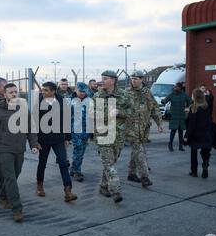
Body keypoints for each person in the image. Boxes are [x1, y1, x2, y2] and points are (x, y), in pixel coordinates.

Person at [0, 83, 40, 222]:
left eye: (15, 92)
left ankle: (3, 195)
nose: (14, 94)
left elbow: (31, 129)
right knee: (10, 178)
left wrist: (34, 144)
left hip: (19, 149)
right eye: (11, 92)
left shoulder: (24, 109)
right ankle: (17, 209)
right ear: (5, 95)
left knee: (15, 174)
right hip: (3, 149)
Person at [93, 70, 133, 203]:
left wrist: (119, 112)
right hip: (103, 134)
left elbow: (132, 112)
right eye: (102, 78)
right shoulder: (97, 96)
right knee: (109, 163)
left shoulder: (124, 95)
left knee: (111, 162)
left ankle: (103, 186)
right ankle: (116, 190)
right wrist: (108, 115)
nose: (102, 81)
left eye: (105, 78)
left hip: (119, 134)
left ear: (113, 80)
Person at [35, 81, 77, 202]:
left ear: (53, 91)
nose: (43, 92)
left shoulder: (61, 101)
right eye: (42, 90)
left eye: (45, 90)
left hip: (58, 138)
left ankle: (68, 191)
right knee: (42, 163)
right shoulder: (38, 102)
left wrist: (68, 137)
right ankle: (39, 185)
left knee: (63, 164)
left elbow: (66, 119)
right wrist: (35, 141)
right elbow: (34, 122)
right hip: (43, 139)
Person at [125, 71, 163, 187]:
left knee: (136, 151)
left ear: (142, 79)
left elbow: (154, 108)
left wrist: (159, 123)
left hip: (144, 128)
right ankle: (145, 177)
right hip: (131, 128)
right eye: (132, 78)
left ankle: (131, 173)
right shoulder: (127, 92)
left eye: (136, 78)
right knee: (139, 150)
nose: (133, 81)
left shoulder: (147, 93)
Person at [185, 88, 213, 179]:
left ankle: (194, 171)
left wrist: (186, 136)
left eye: (192, 95)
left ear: (195, 97)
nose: (191, 96)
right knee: (205, 151)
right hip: (206, 133)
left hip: (195, 134)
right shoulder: (206, 107)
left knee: (194, 152)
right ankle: (205, 164)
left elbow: (191, 125)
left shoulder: (193, 108)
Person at [69, 82, 92, 182]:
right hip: (75, 130)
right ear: (76, 90)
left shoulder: (90, 101)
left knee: (81, 151)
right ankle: (77, 171)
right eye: (80, 91)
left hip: (86, 131)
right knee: (78, 149)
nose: (82, 93)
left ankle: (73, 168)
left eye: (84, 91)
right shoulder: (71, 101)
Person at [162, 82, 192, 152]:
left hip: (181, 116)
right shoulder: (172, 94)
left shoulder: (184, 95)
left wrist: (188, 107)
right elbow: (165, 100)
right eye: (175, 87)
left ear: (180, 88)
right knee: (173, 131)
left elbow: (190, 102)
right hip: (174, 116)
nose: (175, 88)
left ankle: (180, 146)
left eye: (176, 87)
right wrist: (163, 101)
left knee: (181, 132)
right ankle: (170, 145)